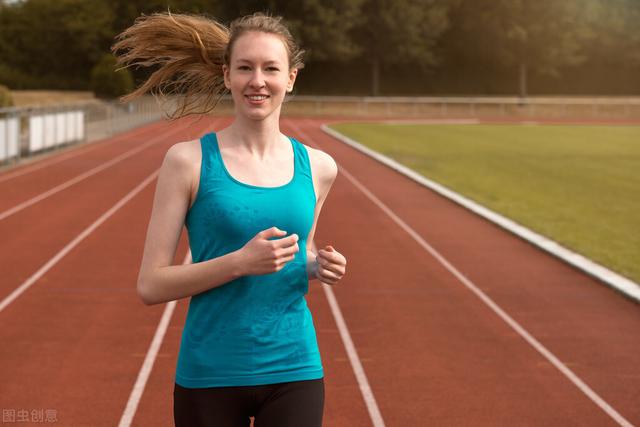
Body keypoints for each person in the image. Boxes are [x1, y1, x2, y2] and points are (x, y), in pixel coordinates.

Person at [112, 10, 347, 427]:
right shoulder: (187, 161)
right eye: (245, 68)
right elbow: (151, 284)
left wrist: (317, 264)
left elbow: (299, 252)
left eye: (270, 68)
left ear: (290, 78)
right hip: (210, 372)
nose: (258, 80)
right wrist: (240, 262)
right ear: (227, 75)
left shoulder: (320, 166)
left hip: (295, 368)